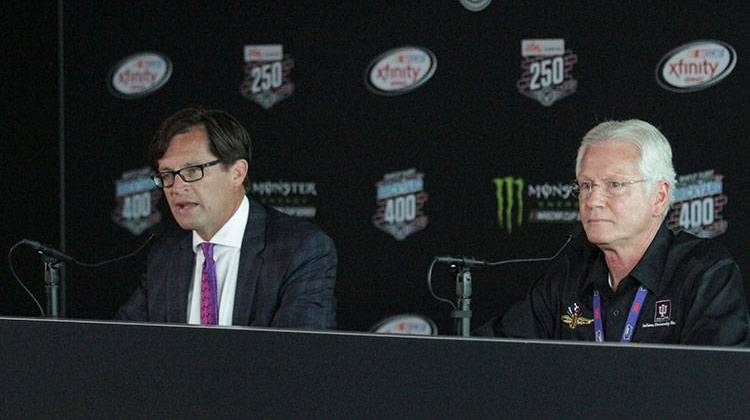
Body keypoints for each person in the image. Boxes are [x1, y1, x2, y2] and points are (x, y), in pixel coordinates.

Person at [498, 119, 749, 345]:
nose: (592, 200)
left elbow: (715, 384)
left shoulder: (705, 274)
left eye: (614, 185)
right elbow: (491, 355)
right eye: (586, 185)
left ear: (659, 197)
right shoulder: (567, 275)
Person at [116, 107, 336, 329]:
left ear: (237, 172)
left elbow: (301, 355)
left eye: (192, 171)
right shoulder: (165, 254)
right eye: (167, 175)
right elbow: (123, 342)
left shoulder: (300, 250)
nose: (176, 187)